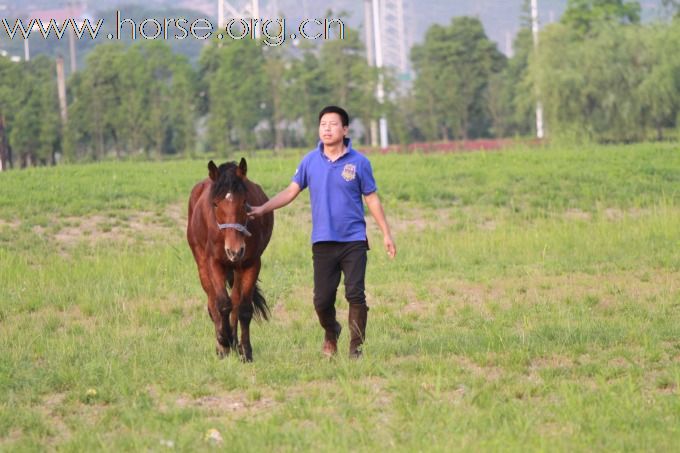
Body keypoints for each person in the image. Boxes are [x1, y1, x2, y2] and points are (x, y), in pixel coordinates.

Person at [248, 105, 396, 358]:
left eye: (333, 124)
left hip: (353, 241)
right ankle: (331, 331)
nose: (327, 129)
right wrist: (263, 208)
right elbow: (291, 192)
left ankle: (355, 349)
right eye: (323, 124)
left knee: (355, 293)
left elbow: (371, 199)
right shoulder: (310, 161)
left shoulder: (359, 162)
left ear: (345, 129)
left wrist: (386, 234)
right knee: (322, 301)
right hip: (323, 241)